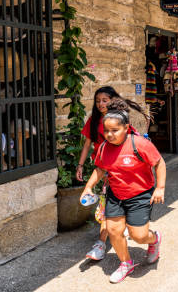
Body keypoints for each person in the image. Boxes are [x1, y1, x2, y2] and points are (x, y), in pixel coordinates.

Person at [80, 98, 166, 284]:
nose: (110, 135)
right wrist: (88, 186)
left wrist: (160, 188)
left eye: (115, 130)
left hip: (140, 195)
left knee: (139, 235)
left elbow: (159, 163)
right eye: (107, 131)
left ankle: (154, 239)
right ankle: (126, 262)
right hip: (116, 194)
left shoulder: (139, 144)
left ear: (126, 127)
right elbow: (101, 169)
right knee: (113, 230)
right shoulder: (103, 147)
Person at [76, 86, 145, 262]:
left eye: (104, 100)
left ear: (112, 100)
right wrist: (81, 165)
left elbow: (133, 143)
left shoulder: (120, 120)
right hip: (103, 168)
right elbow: (87, 145)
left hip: (121, 168)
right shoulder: (93, 121)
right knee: (107, 204)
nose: (100, 104)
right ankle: (102, 242)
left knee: (113, 204)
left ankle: (105, 240)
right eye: (98, 101)